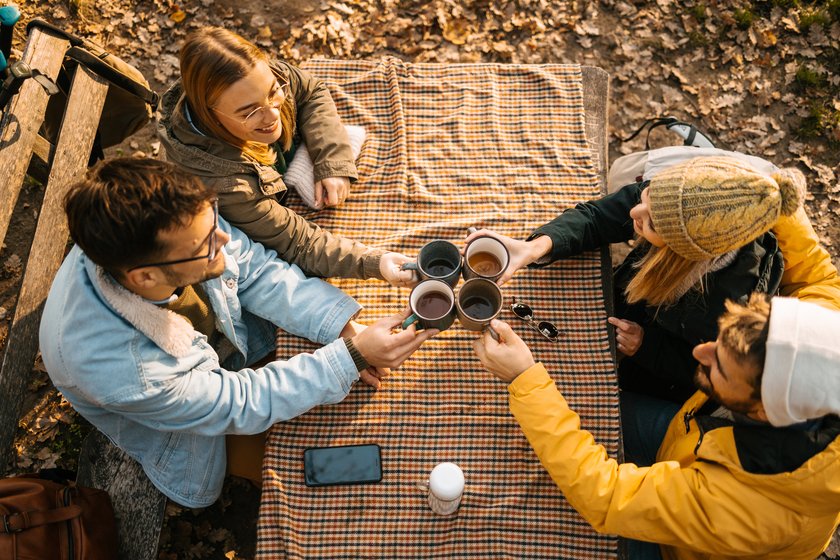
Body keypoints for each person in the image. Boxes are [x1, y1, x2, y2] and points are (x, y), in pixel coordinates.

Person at [38, 158, 436, 508]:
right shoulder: (123, 370)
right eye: (206, 243)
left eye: (214, 220)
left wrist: (341, 327)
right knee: (311, 468)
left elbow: (257, 269)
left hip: (227, 349)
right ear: (146, 277)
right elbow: (237, 403)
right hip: (192, 432)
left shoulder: (172, 224)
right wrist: (350, 356)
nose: (225, 241)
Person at [472, 295, 840, 560]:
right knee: (583, 405)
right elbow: (819, 273)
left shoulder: (749, 508)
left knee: (552, 522)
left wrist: (525, 377)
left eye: (720, 368)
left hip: (679, 548)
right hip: (687, 437)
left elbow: (605, 494)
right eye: (717, 339)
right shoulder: (824, 343)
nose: (700, 353)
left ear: (764, 410)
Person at [466, 156, 824, 402]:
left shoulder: (731, 308)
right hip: (627, 307)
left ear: (685, 251)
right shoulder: (678, 198)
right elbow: (598, 217)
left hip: (654, 375)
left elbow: (704, 369)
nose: (635, 212)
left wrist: (646, 347)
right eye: (646, 197)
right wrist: (533, 249)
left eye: (650, 223)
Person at [158, 26, 414, 287]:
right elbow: (297, 242)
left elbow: (311, 91)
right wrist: (372, 262)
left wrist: (331, 160)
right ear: (209, 115)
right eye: (249, 111)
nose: (272, 116)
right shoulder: (223, 184)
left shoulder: (255, 77)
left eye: (273, 93)